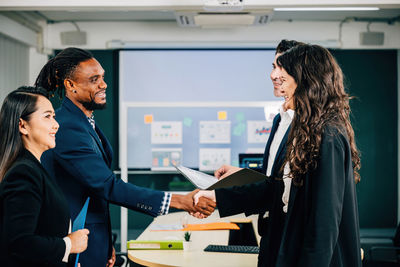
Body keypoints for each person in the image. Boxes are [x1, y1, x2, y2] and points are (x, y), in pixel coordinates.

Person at [35, 48, 215, 267]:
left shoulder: (84, 122)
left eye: (102, 77)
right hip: (75, 247)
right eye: (94, 80)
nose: (103, 84)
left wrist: (105, 242)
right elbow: (107, 186)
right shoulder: (66, 127)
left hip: (94, 239)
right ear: (70, 85)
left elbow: (92, 193)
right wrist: (180, 201)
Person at [194, 44, 362, 266]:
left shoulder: (328, 134)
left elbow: (324, 222)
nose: (275, 79)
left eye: (284, 77)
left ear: (307, 81)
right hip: (285, 242)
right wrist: (217, 197)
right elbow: (276, 188)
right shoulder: (304, 131)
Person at [0, 86, 89, 267]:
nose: (56, 124)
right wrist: (70, 245)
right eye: (47, 116)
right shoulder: (23, 173)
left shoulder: (33, 167)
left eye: (54, 116)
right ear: (23, 125)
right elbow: (19, 244)